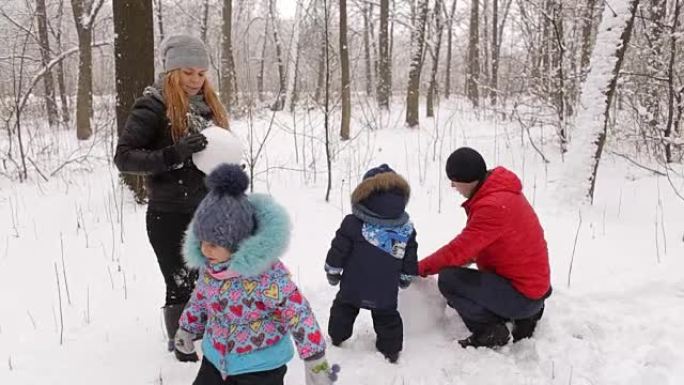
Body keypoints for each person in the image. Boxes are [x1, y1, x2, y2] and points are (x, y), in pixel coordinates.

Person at [113, 34, 229, 358]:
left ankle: (205, 333)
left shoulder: (209, 107)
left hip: (208, 209)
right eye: (188, 72)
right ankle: (183, 352)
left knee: (208, 277)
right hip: (169, 213)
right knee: (180, 284)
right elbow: (124, 157)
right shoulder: (152, 105)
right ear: (171, 72)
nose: (195, 80)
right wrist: (172, 154)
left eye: (201, 73)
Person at [175, 163, 340, 385]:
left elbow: (299, 314)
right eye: (202, 241)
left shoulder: (266, 277)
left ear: (237, 243)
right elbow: (200, 300)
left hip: (260, 368)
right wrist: (186, 328)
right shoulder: (211, 268)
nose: (205, 250)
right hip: (215, 359)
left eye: (213, 243)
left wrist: (316, 361)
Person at [418, 147, 551, 348]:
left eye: (454, 180)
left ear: (467, 180)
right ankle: (525, 316)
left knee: (450, 280)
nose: (453, 185)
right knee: (460, 283)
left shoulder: (492, 206)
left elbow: (458, 251)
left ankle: (490, 331)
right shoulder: (501, 192)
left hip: (524, 295)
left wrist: (417, 268)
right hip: (533, 288)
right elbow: (478, 247)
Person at [325, 164, 418, 363]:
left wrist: (333, 271)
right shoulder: (405, 230)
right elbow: (410, 257)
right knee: (387, 316)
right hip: (385, 289)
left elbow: (338, 249)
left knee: (344, 307)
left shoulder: (352, 223)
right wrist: (405, 277)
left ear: (364, 194)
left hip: (353, 285)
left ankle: (337, 335)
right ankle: (391, 349)